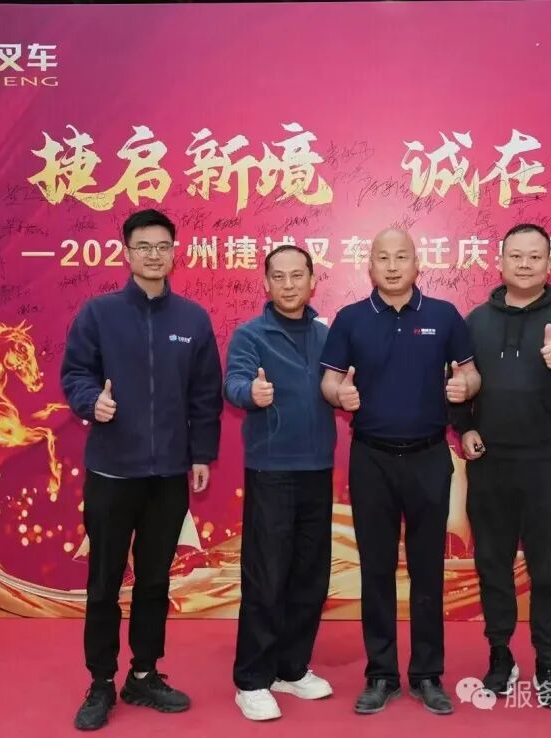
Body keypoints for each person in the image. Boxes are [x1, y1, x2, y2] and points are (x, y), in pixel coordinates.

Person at [61, 208, 224, 731]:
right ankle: (101, 681)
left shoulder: (192, 320)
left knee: (154, 580)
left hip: (168, 477)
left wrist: (200, 455)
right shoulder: (99, 314)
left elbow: (205, 395)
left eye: (163, 246)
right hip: (112, 473)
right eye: (143, 246)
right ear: (126, 253)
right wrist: (92, 402)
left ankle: (145, 673)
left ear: (175, 252)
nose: (154, 255)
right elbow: (75, 373)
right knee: (104, 581)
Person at [319, 228, 480, 716]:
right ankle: (382, 674)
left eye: (401, 257)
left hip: (430, 457)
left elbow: (470, 373)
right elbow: (329, 380)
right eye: (383, 258)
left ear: (417, 264)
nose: (392, 266)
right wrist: (339, 395)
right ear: (369, 265)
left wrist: (466, 387)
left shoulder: (443, 315)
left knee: (429, 569)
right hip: (372, 459)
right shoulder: (350, 319)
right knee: (376, 568)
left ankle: (428, 674)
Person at [451, 223, 551, 708]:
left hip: (545, 464)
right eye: (515, 256)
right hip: (489, 462)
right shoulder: (475, 320)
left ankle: (548, 664)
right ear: (499, 261)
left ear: (549, 263)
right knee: (492, 566)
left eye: (534, 256)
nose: (524, 264)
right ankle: (500, 656)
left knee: (546, 571)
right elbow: (456, 382)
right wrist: (464, 427)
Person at [223, 244, 337, 721]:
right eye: (279, 276)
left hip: (318, 469)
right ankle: (252, 680)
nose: (289, 285)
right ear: (266, 283)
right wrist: (250, 392)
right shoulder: (250, 335)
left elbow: (342, 383)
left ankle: (291, 668)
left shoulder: (327, 335)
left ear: (312, 280)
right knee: (267, 576)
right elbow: (233, 383)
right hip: (271, 470)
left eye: (297, 276)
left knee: (310, 576)